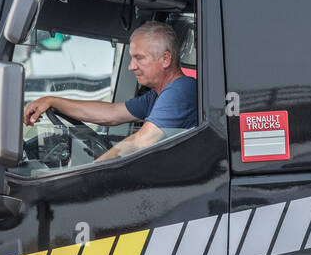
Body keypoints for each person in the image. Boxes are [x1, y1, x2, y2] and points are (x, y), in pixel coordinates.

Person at [22, 22, 196, 161]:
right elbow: (111, 114)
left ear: (165, 59)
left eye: (139, 58)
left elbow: (142, 141)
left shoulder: (181, 89)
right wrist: (52, 101)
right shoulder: (157, 95)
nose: (131, 67)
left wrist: (92, 170)